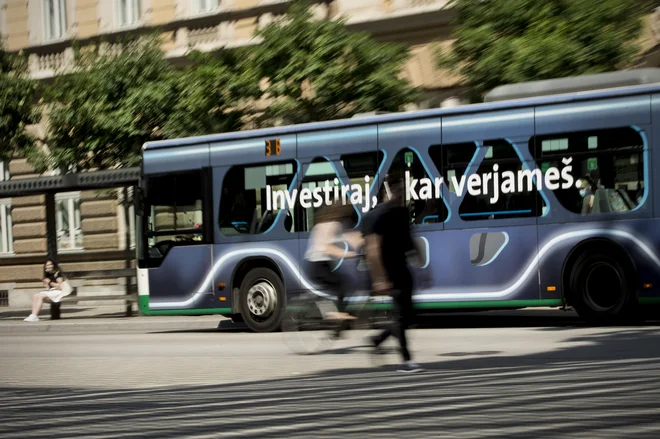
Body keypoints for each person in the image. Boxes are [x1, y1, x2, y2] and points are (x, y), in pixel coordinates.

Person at [361, 169, 427, 372]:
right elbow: (372, 249)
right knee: (400, 315)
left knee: (407, 315)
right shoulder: (379, 216)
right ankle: (406, 360)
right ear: (389, 189)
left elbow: (411, 236)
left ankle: (378, 339)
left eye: (402, 188)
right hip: (391, 270)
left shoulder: (403, 212)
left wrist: (422, 262)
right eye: (397, 188)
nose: (400, 192)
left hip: (404, 267)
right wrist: (379, 279)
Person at [304, 200, 359, 337]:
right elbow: (328, 248)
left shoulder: (321, 223)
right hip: (320, 266)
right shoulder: (335, 224)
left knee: (340, 285)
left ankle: (337, 322)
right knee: (343, 285)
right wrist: (348, 254)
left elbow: (348, 237)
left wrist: (364, 240)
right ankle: (336, 319)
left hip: (314, 265)